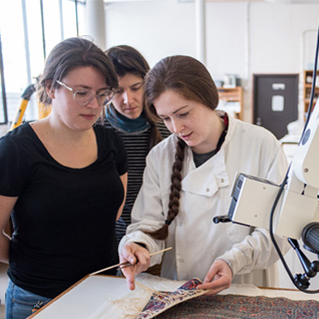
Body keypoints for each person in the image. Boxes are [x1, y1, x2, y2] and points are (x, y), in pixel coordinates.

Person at [0, 37, 128, 319]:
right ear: (51, 88)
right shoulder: (15, 151)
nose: (94, 104)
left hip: (103, 288)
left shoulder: (111, 142)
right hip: (39, 297)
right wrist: (32, 262)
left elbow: (113, 210)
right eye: (81, 92)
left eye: (102, 93)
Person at [118, 55, 288, 295]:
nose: (176, 128)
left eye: (183, 113)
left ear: (208, 99)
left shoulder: (261, 145)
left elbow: (278, 230)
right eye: (166, 118)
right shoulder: (160, 156)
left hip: (244, 288)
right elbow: (149, 225)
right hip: (180, 291)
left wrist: (234, 260)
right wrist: (138, 246)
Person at [99, 45, 171, 244]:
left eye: (136, 88)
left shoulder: (166, 126)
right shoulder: (97, 131)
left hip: (156, 236)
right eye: (118, 91)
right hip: (110, 239)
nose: (128, 100)